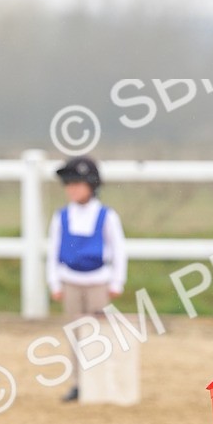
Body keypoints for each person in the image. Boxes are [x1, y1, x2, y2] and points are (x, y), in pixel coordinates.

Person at [47, 157, 127, 402]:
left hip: (97, 282)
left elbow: (118, 249)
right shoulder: (61, 217)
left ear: (91, 185)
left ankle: (99, 380)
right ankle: (78, 382)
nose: (72, 189)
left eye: (78, 184)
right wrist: (54, 282)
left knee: (98, 334)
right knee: (74, 333)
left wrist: (116, 282)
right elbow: (53, 251)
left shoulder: (106, 216)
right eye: (69, 184)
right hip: (70, 281)